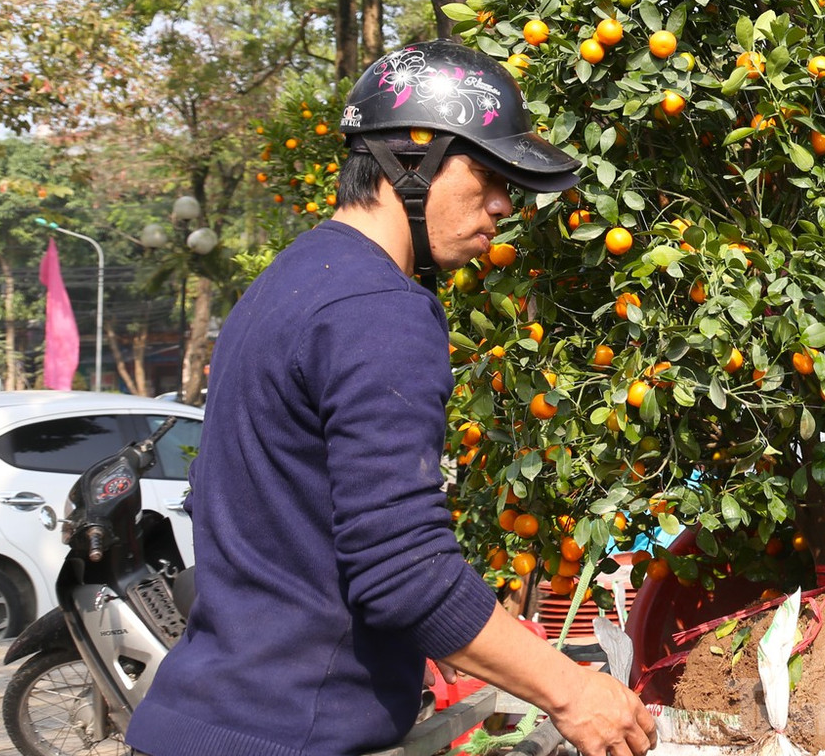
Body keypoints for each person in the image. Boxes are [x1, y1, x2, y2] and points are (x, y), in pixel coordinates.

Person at [129, 41, 656, 756]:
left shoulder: (292, 278)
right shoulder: (379, 307)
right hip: (291, 736)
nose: (503, 206)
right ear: (412, 159)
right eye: (488, 174)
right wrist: (572, 689)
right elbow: (402, 567)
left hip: (208, 717)